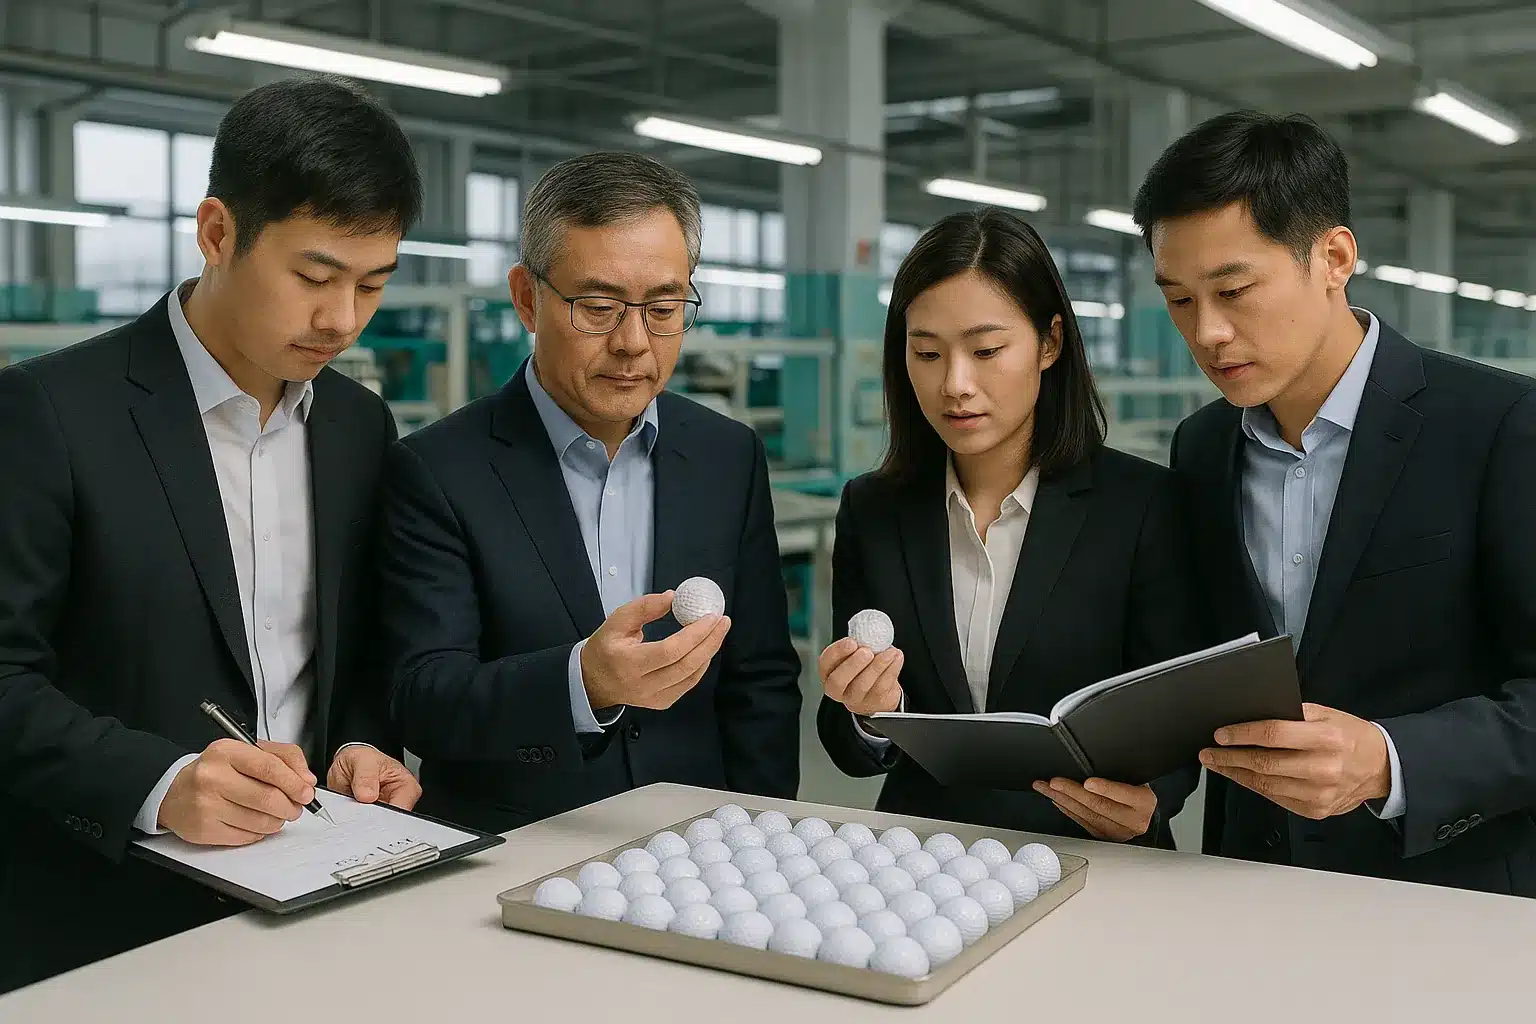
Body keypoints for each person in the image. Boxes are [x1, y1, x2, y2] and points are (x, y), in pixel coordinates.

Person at [0, 76, 424, 992]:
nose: (341, 319)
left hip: (318, 899)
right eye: (314, 276)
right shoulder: (50, 414)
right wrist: (159, 782)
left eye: (372, 283)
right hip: (106, 927)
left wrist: (360, 742)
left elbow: (360, 652)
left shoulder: (358, 429)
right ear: (218, 232)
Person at [1140, 111, 1536, 895]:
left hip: (1447, 900)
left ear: (1334, 257)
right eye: (1179, 300)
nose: (1208, 333)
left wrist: (1390, 760)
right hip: (1249, 886)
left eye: (1234, 290)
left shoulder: (1499, 427)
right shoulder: (1201, 449)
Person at [377, 151, 801, 835]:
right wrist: (582, 683)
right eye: (597, 308)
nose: (633, 342)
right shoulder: (437, 471)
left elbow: (762, 686)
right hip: (513, 855)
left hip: (701, 849)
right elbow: (423, 697)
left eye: (664, 308)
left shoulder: (728, 456)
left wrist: (761, 832)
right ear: (526, 297)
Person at [816, 209, 1204, 844]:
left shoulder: (1142, 505)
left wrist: (1156, 797)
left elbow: (1176, 713)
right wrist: (864, 714)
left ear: (1049, 343)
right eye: (927, 353)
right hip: (923, 864)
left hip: (1096, 859)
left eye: (987, 350)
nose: (955, 384)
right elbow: (851, 749)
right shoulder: (874, 510)